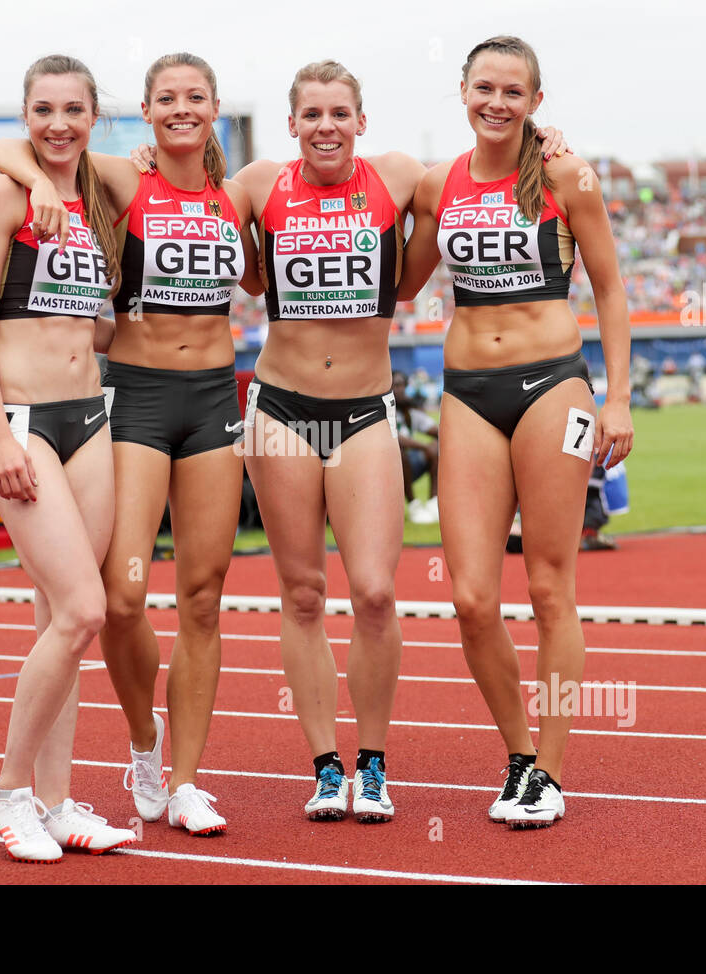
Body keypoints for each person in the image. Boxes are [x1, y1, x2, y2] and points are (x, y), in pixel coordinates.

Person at [238, 59, 570, 824]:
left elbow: (482, 171)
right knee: (300, 593)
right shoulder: (257, 184)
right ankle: (326, 766)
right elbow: (177, 200)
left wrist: (542, 140)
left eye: (340, 113)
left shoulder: (400, 177)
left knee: (378, 594)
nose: (326, 125)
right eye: (311, 113)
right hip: (281, 407)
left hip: (363, 407)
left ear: (362, 119)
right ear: (291, 123)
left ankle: (375, 764)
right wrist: (152, 153)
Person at [0, 52, 262, 836]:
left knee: (204, 597)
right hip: (136, 401)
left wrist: (540, 142)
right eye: (166, 98)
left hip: (215, 402)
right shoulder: (118, 177)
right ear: (144, 110)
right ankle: (143, 742)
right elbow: (16, 150)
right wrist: (38, 181)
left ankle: (183, 781)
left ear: (215, 109)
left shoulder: (241, 193)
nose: (181, 108)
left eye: (195, 98)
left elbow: (341, 167)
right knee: (124, 597)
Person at [399, 36, 631, 828]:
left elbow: (610, 291)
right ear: (462, 90)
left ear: (536, 101)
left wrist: (619, 400)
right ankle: (519, 756)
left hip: (554, 389)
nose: (496, 103)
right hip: (467, 393)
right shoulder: (438, 184)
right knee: (469, 597)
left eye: (513, 92)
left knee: (547, 585)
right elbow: (402, 285)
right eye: (484, 88)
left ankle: (553, 772)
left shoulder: (569, 176)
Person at [0, 54, 136, 861]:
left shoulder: (99, 199)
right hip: (22, 421)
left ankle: (58, 803)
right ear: (24, 115)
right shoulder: (0, 196)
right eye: (42, 110)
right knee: (83, 612)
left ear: (95, 117)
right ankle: (9, 790)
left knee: (59, 619)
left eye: (73, 109)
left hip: (88, 418)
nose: (58, 123)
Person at [392, 370, 439, 523]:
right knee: (399, 452)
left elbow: (436, 431)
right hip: (387, 470)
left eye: (401, 385)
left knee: (437, 447)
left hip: (409, 467)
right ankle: (413, 506)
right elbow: (395, 439)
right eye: (394, 385)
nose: (398, 389)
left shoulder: (409, 411)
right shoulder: (382, 411)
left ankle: (433, 502)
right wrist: (424, 447)